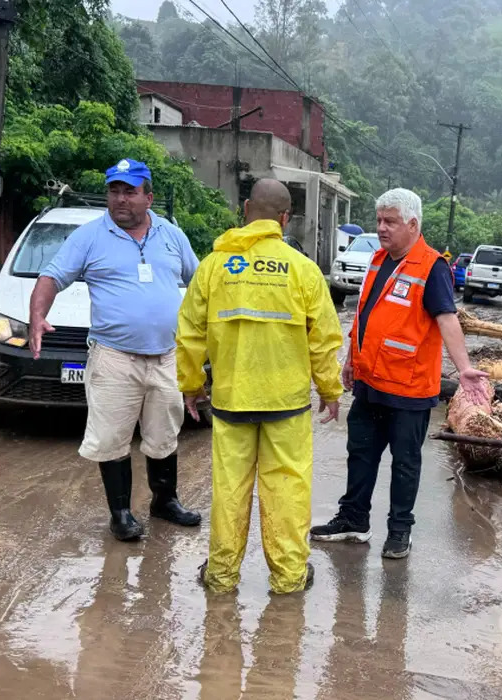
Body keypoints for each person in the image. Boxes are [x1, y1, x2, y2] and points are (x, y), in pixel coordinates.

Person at [176, 179, 344, 594]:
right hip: (286, 405)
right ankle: (288, 580)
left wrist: (192, 384)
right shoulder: (302, 269)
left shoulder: (214, 266)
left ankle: (220, 576)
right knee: (287, 490)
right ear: (286, 219)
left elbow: (189, 332)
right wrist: (329, 389)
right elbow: (323, 337)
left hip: (232, 400)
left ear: (246, 208)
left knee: (229, 491)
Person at [310, 188, 487, 559]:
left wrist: (464, 367)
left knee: (405, 463)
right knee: (360, 454)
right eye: (379, 221)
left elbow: (447, 318)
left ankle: (400, 531)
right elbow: (366, 316)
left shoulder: (432, 266)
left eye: (389, 221)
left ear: (412, 224)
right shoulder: (377, 260)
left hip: (408, 391)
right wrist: (350, 360)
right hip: (370, 384)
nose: (382, 228)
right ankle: (353, 521)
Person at [31, 158, 201, 542]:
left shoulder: (172, 236)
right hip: (114, 357)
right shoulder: (89, 236)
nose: (121, 199)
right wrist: (37, 315)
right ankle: (121, 513)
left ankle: (164, 501)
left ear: (148, 197)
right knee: (112, 438)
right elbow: (51, 277)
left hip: (166, 356)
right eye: (114, 191)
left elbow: (200, 281)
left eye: (130, 191)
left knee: (163, 434)